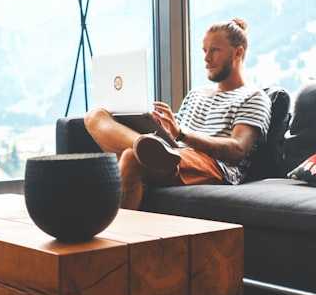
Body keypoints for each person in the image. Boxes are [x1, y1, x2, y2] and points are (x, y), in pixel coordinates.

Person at [84, 17, 271, 209]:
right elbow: (174, 139)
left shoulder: (253, 97)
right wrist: (158, 127)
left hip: (215, 165)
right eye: (205, 50)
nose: (207, 59)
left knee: (132, 157)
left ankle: (145, 152)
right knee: (95, 116)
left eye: (214, 50)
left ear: (238, 52)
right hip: (175, 153)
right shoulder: (196, 94)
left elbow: (238, 149)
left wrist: (182, 134)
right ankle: (145, 146)